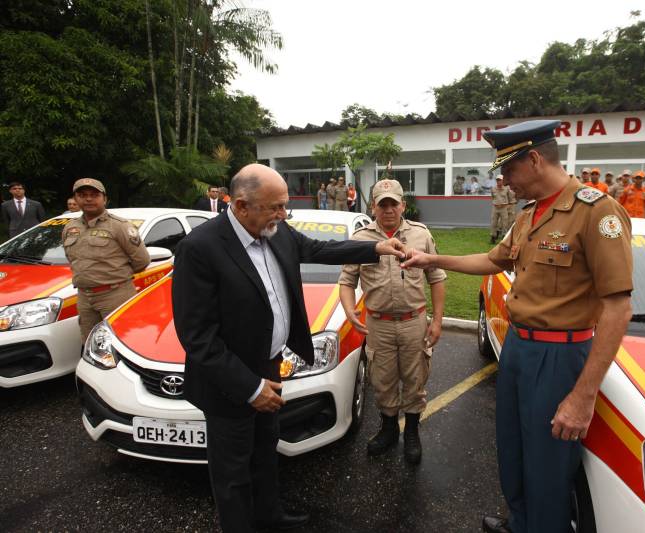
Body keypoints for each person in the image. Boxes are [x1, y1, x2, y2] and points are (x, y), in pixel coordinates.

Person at [402, 120, 632, 533]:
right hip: (520, 348)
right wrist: (433, 261)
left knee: (548, 466)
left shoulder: (596, 211)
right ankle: (521, 522)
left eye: (508, 170)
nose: (505, 181)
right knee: (513, 451)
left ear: (535, 159)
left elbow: (618, 307)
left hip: (559, 355)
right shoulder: (529, 215)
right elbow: (494, 261)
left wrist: (583, 396)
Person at [171, 164, 407, 533]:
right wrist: (250, 388)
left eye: (285, 206)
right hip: (229, 382)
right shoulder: (199, 248)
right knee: (232, 472)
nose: (283, 215)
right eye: (275, 207)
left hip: (270, 366)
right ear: (241, 205)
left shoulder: (275, 231)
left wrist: (376, 246)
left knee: (265, 451)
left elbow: (320, 248)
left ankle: (269, 515)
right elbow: (197, 336)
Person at [338, 179, 446, 464]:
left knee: (415, 379)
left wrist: (437, 320)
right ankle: (387, 430)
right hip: (378, 324)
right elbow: (347, 281)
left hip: (414, 321)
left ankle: (411, 431)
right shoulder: (361, 239)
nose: (388, 209)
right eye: (382, 204)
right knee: (382, 380)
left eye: (393, 204)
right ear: (373, 206)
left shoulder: (421, 235)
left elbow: (436, 277)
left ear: (403, 206)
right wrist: (350, 311)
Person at [62, 178, 150, 341]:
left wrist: (116, 275)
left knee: (122, 340)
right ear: (75, 199)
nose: (88, 199)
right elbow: (72, 258)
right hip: (84, 297)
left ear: (105, 199)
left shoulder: (119, 226)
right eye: (83, 195)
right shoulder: (70, 227)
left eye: (94, 195)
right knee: (91, 342)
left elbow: (142, 260)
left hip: (115, 294)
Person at [489, 176, 511, 244]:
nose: (498, 181)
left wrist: (507, 205)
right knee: (494, 223)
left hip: (503, 208)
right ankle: (493, 237)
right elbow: (492, 197)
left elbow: (509, 197)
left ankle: (504, 237)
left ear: (503, 181)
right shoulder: (493, 189)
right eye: (497, 180)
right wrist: (496, 203)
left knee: (504, 223)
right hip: (495, 208)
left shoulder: (506, 189)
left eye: (500, 180)